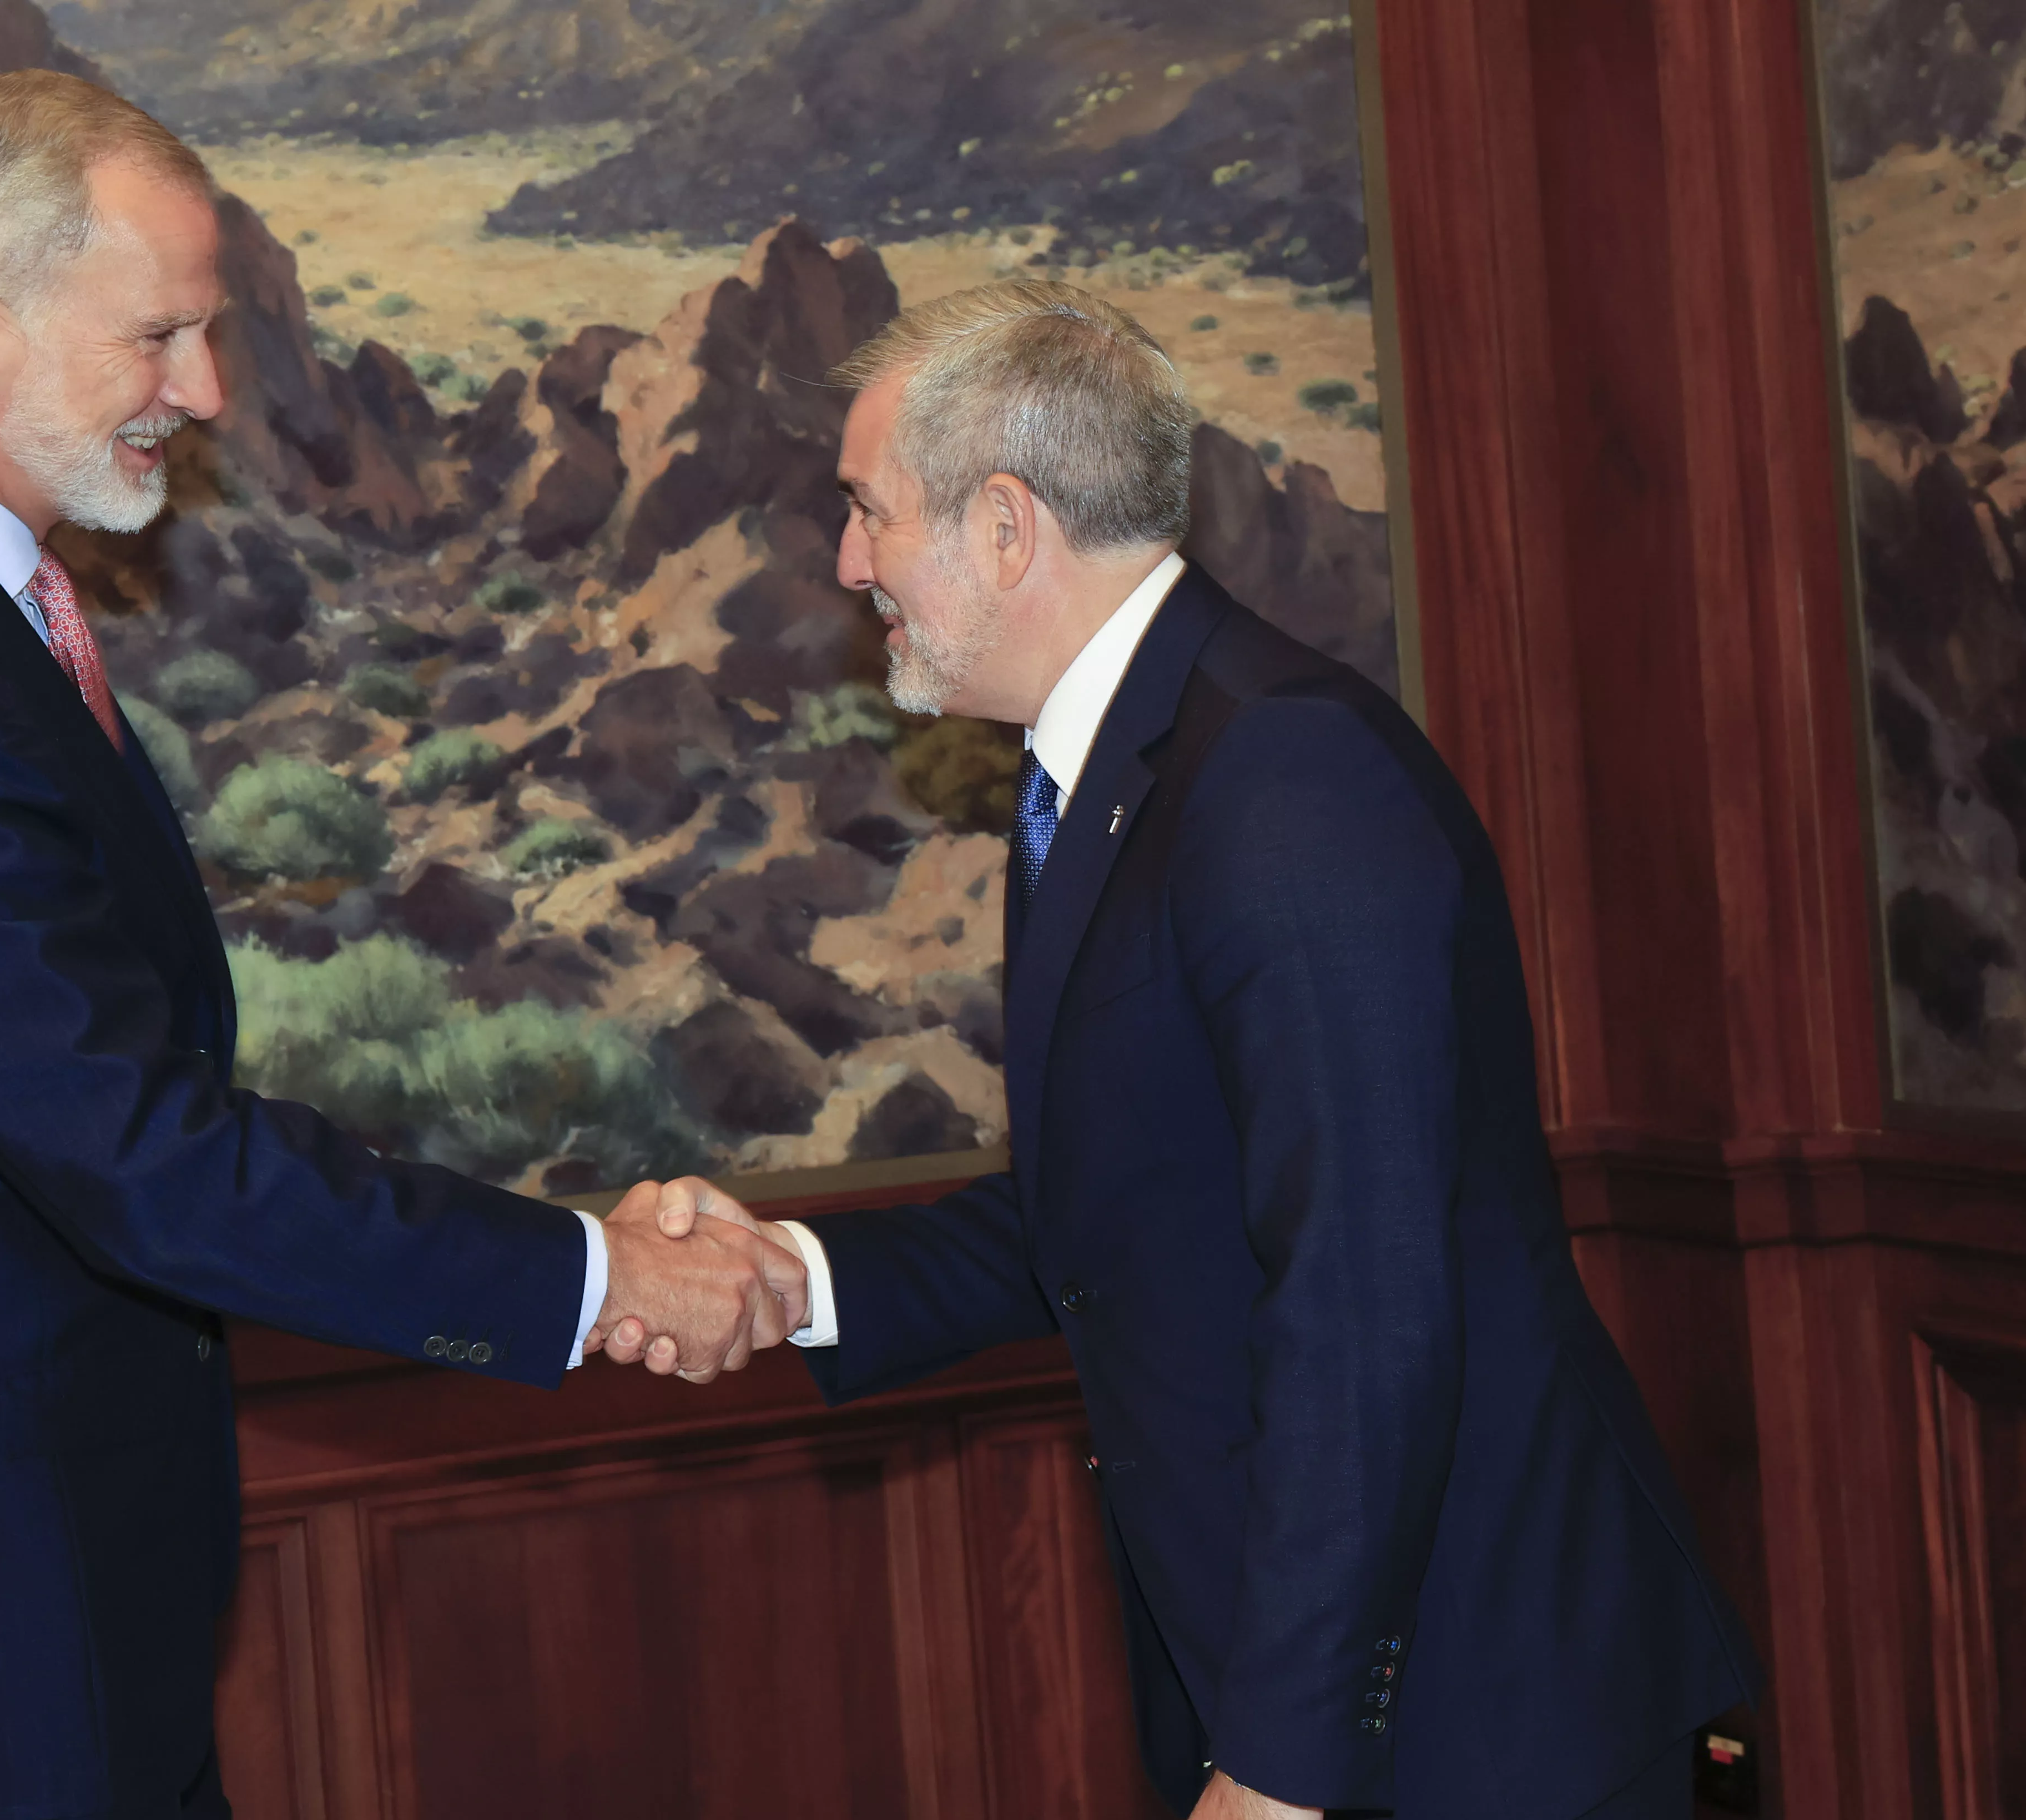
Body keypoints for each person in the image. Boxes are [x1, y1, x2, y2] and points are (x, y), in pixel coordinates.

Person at [0, 70, 803, 1820]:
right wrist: (590, 1275)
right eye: (157, 338)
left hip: (22, 1612)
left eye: (203, 338)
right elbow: (141, 1156)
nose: (200, 393)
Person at [606, 281, 1762, 1818]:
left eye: (867, 512)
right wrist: (793, 1282)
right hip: (1321, 1691)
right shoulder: (1112, 772)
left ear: (1004, 528)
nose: (846, 561)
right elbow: (1117, 1207)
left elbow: (1365, 1301)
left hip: (1476, 1715)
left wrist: (1278, 1769)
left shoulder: (1284, 781)